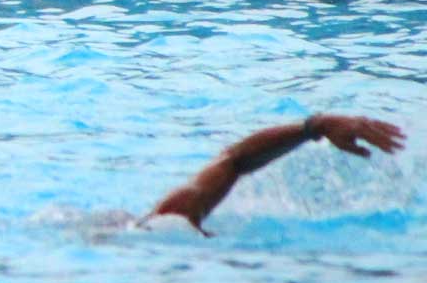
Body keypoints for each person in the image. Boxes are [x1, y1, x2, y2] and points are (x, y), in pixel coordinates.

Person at [147, 115, 405, 235]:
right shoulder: (162, 224)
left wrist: (315, 127)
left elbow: (234, 160)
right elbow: (234, 160)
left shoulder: (162, 222)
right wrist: (313, 128)